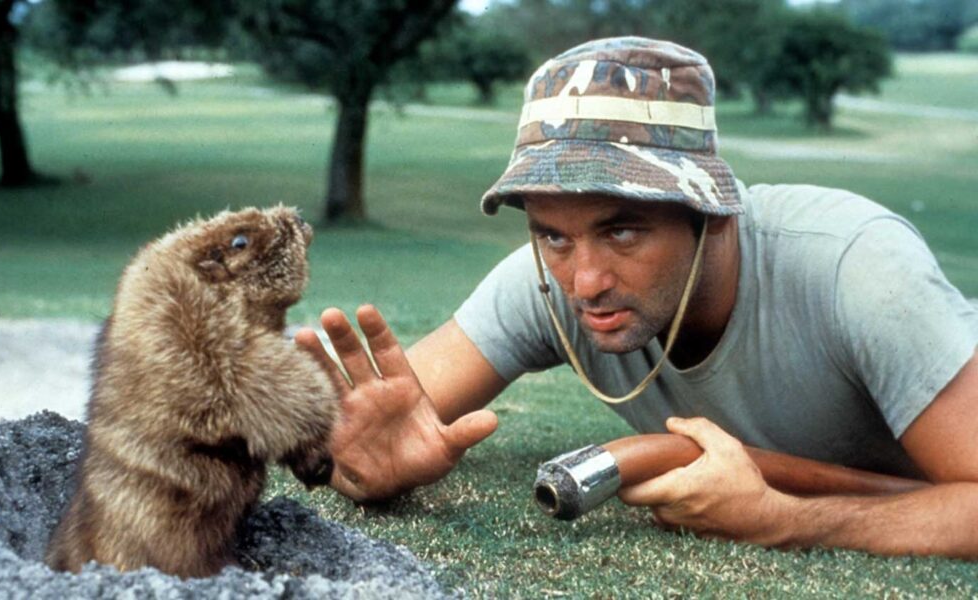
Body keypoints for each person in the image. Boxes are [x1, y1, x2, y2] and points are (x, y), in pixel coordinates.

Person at [295, 37, 978, 558]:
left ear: (712, 213)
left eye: (622, 230)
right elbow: (392, 421)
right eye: (553, 236)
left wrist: (789, 521)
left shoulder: (857, 270)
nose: (584, 281)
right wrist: (357, 467)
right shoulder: (548, 277)